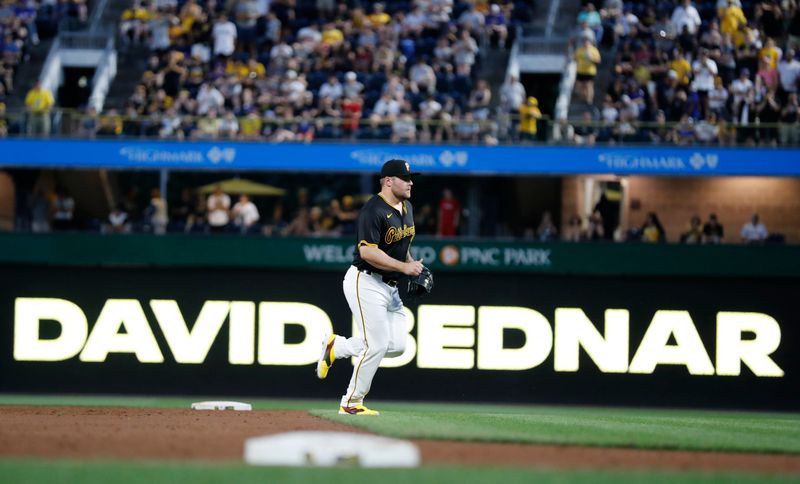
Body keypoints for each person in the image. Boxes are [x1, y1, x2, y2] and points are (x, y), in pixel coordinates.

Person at [317, 159, 424, 416]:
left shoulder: (406, 206)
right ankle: (351, 402)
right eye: (405, 178)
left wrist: (412, 264)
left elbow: (402, 243)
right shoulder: (372, 210)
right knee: (375, 345)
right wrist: (403, 268)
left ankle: (337, 347)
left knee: (398, 346)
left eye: (411, 177)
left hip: (391, 287)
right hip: (365, 281)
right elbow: (367, 252)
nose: (411, 182)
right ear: (389, 181)